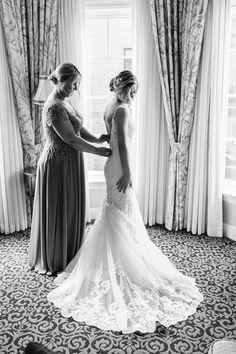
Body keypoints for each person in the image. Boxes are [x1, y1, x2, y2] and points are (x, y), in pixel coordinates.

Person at [47, 70, 203, 333]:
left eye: (135, 91)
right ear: (120, 87)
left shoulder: (112, 105)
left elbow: (114, 138)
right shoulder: (121, 110)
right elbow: (122, 146)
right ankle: (125, 265)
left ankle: (120, 258)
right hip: (119, 166)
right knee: (122, 213)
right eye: (130, 90)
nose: (132, 95)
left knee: (119, 214)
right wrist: (129, 171)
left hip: (113, 166)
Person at [29, 63, 111, 275]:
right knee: (60, 209)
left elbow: (78, 127)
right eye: (73, 84)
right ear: (60, 79)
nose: (75, 89)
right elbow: (71, 139)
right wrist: (98, 151)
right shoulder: (54, 106)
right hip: (58, 164)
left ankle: (69, 251)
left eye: (77, 85)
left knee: (70, 207)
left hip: (70, 162)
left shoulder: (64, 102)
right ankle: (57, 258)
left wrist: (96, 139)